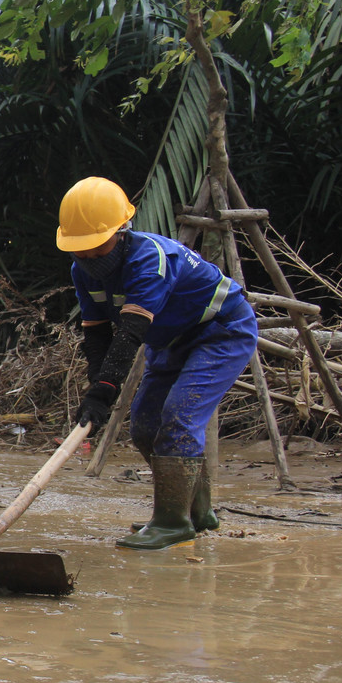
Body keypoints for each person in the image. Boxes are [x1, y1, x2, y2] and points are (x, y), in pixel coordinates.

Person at [58, 176, 258, 549]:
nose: (89, 260)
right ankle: (197, 512)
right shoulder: (81, 272)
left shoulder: (150, 259)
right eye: (79, 252)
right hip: (170, 342)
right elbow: (98, 334)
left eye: (97, 250)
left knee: (179, 417)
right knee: (145, 426)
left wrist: (107, 389)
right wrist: (95, 392)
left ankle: (171, 522)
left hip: (220, 332)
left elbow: (130, 333)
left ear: (121, 233)